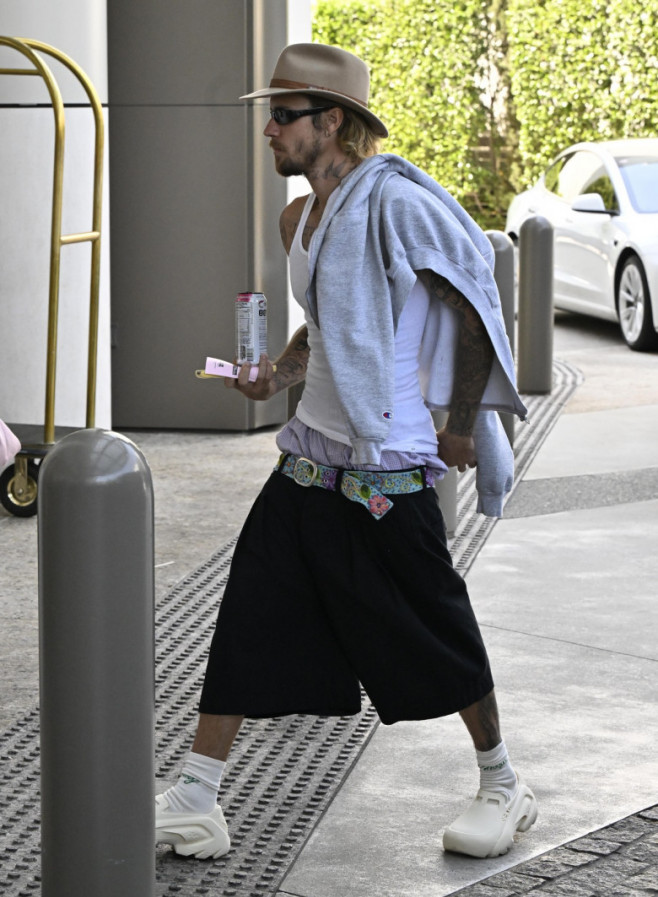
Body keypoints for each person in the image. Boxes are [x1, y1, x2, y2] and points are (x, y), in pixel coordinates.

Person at [155, 42, 537, 863]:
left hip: (384, 469)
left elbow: (472, 297)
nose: (269, 129)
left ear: (332, 122)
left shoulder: (396, 203)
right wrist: (277, 376)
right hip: (306, 464)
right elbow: (324, 328)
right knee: (246, 617)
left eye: (285, 115)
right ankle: (197, 794)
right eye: (272, 114)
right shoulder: (302, 218)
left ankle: (503, 781)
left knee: (436, 628)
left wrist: (464, 417)